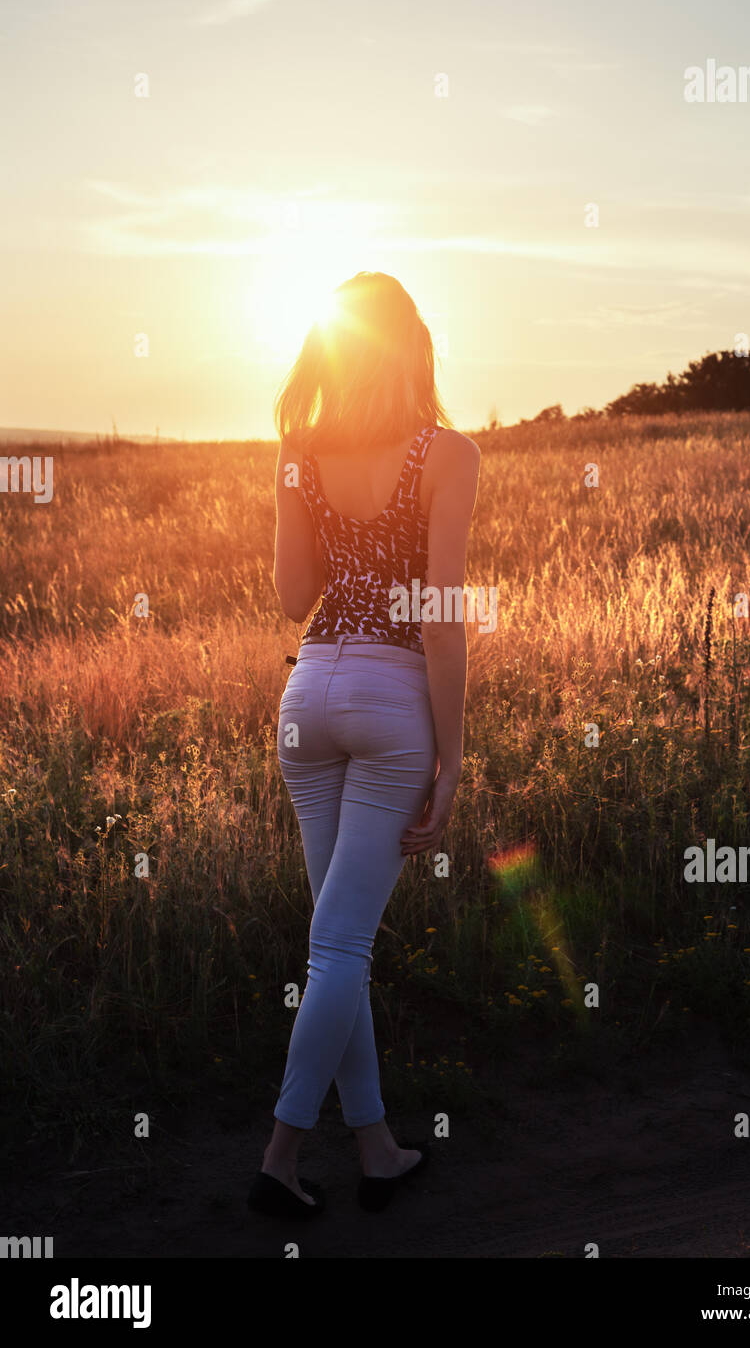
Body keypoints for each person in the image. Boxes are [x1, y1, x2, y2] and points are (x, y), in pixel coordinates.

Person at [248, 271, 481, 1218]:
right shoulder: (446, 452)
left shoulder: (299, 453)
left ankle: (376, 1146)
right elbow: (441, 616)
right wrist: (453, 754)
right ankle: (281, 1154)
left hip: (308, 698)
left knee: (335, 941)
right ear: (414, 347)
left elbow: (290, 598)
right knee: (341, 942)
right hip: (390, 699)